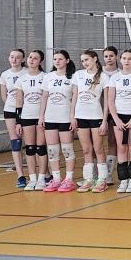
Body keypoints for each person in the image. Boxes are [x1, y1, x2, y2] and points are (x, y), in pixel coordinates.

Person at [106, 49, 131, 193]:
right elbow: (110, 100)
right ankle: (123, 181)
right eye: (124, 58)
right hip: (119, 117)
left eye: (130, 58)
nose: (127, 61)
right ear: (120, 60)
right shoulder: (114, 78)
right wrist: (116, 119)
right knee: (121, 148)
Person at [39, 51, 77, 193]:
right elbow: (44, 97)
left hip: (65, 117)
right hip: (50, 117)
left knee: (67, 149)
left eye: (60, 59)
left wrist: (73, 116)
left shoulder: (73, 77)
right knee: (52, 150)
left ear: (67, 60)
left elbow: (75, 98)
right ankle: (56, 179)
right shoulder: (49, 76)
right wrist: (41, 116)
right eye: (55, 59)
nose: (57, 61)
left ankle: (69, 179)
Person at [73, 50, 110, 192]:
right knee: (86, 149)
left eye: (87, 60)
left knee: (98, 149)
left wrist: (104, 121)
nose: (84, 63)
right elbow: (74, 97)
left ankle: (102, 180)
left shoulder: (103, 76)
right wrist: (72, 116)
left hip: (96, 117)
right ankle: (88, 179)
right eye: (82, 61)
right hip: (81, 116)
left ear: (95, 59)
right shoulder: (78, 75)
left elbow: (106, 102)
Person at [15, 51, 45, 191]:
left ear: (40, 61)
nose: (32, 60)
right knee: (30, 148)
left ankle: (42, 178)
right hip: (27, 116)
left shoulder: (45, 77)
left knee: (41, 148)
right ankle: (32, 179)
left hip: (41, 117)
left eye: (35, 58)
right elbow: (19, 102)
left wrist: (44, 116)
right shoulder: (22, 79)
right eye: (30, 57)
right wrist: (18, 121)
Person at [0, 49, 27, 188]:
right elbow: (4, 95)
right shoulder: (5, 74)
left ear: (23, 59)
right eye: (12, 57)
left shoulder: (27, 72)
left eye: (17, 57)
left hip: (27, 110)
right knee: (15, 141)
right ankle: (20, 175)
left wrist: (22, 106)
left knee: (31, 142)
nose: (14, 60)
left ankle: (41, 174)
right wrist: (13, 106)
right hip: (10, 110)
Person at [101, 46, 120, 184]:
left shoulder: (120, 73)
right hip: (98, 111)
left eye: (111, 56)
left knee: (113, 142)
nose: (109, 58)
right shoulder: (98, 72)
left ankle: (108, 174)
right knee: (95, 144)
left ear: (116, 57)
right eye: (106, 56)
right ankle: (95, 173)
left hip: (114, 112)